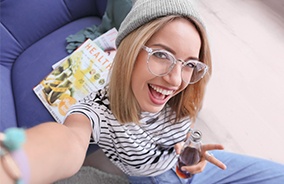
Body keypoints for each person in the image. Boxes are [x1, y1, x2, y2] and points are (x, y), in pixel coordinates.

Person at [1, 0, 284, 183]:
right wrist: (15, 164)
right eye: (162, 55)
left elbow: (180, 134)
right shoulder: (97, 110)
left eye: (189, 64)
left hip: (192, 168)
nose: (175, 79)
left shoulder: (186, 88)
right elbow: (68, 140)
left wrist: (189, 152)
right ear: (130, 51)